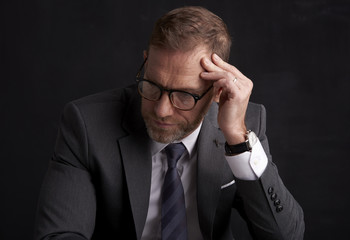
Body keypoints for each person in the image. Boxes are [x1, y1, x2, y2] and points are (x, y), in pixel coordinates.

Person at [34, 6, 305, 240]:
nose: (162, 110)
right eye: (152, 85)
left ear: (216, 91)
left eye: (184, 95)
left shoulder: (244, 124)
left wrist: (237, 138)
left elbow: (286, 236)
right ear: (145, 63)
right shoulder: (87, 124)